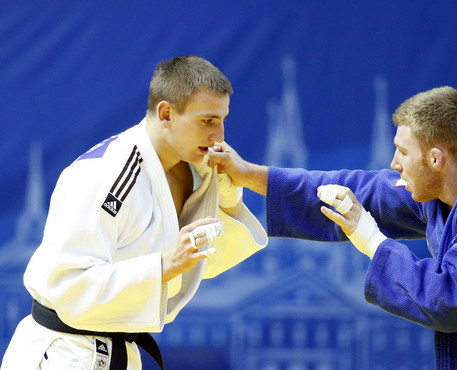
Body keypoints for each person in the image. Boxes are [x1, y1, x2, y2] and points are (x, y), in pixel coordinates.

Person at [209, 86, 457, 369]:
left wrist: (368, 237)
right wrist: (249, 175)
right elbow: (354, 189)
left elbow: (449, 301)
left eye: (403, 151)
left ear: (436, 158)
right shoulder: (446, 191)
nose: (394, 163)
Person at [1, 55, 267, 369]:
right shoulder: (106, 174)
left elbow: (198, 264)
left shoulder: (197, 171)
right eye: (207, 120)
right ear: (167, 113)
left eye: (223, 119)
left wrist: (226, 192)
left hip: (119, 350)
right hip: (64, 353)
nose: (219, 135)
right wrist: (166, 264)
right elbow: (69, 287)